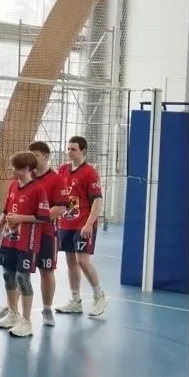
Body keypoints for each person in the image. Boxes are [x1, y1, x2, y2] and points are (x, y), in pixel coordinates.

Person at [0, 152, 50, 338]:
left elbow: (43, 217)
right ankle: (12, 313)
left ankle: (26, 321)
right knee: (8, 275)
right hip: (9, 239)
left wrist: (20, 218)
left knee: (23, 278)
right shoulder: (13, 185)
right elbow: (6, 212)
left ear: (27, 169)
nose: (11, 169)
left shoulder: (38, 189)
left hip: (27, 241)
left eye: (15, 167)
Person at [53, 135, 108, 318]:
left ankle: (99, 295)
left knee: (82, 260)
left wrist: (89, 224)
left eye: (73, 149)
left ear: (83, 150)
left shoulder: (89, 173)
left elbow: (97, 201)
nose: (69, 152)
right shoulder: (63, 170)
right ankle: (75, 301)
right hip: (66, 223)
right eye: (68, 149)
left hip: (83, 223)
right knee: (70, 261)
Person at [25, 140, 67, 327]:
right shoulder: (26, 176)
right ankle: (14, 310)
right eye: (30, 156)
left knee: (46, 271)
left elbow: (60, 208)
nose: (32, 159)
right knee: (19, 272)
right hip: (25, 233)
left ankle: (47, 309)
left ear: (46, 157)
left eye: (36, 156)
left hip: (47, 233)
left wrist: (35, 218)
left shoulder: (57, 179)